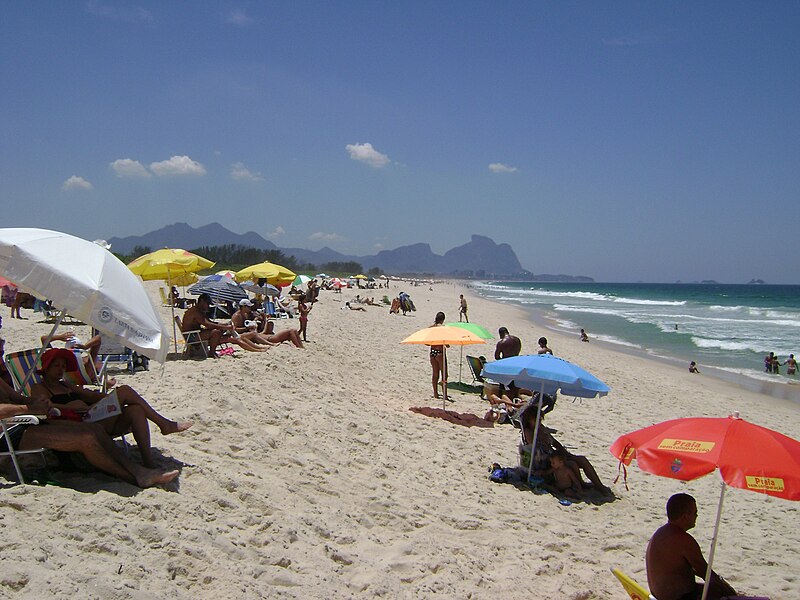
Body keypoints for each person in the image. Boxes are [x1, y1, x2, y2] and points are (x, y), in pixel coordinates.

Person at [1, 378, 179, 488]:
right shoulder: (40, 385)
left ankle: (138, 471)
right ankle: (132, 477)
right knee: (86, 439)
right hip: (8, 435)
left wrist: (37, 402)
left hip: (26, 422)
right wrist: (25, 408)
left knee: (94, 429)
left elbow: (18, 397)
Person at [30, 348, 192, 468]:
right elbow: (43, 407)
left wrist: (97, 397)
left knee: (135, 410)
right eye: (56, 366)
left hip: (92, 415)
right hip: (77, 423)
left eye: (63, 366)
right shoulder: (39, 388)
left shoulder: (66, 385)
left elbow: (94, 397)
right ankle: (164, 424)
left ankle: (148, 461)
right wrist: (73, 406)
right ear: (46, 368)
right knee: (126, 390)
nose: (61, 370)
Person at [646, 493, 737, 600]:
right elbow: (707, 575)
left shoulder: (660, 533)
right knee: (722, 592)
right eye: (695, 513)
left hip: (658, 594)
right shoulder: (684, 540)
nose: (696, 516)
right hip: (677, 597)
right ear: (685, 517)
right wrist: (729, 590)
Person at [518, 406, 613, 497]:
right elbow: (535, 449)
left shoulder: (541, 428)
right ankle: (582, 485)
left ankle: (598, 485)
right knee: (571, 464)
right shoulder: (528, 432)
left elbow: (554, 442)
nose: (538, 422)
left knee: (581, 459)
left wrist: (565, 453)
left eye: (539, 420)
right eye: (536, 420)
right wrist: (542, 437)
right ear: (529, 420)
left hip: (553, 455)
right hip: (544, 462)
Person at [181, 294, 267, 355]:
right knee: (217, 332)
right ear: (202, 301)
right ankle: (212, 352)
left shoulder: (198, 310)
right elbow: (208, 325)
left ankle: (258, 349)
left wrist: (223, 325)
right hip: (192, 337)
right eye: (207, 304)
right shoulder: (195, 311)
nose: (208, 306)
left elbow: (209, 322)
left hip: (196, 334)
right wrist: (225, 327)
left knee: (236, 337)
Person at [232, 299, 304, 348]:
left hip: (259, 334)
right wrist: (247, 328)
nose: (250, 308)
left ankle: (301, 347)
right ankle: (300, 347)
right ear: (244, 306)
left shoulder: (245, 314)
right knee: (291, 331)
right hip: (260, 336)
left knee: (293, 331)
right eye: (248, 307)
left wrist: (258, 320)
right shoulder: (236, 316)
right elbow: (234, 330)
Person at [430, 311, 448, 402]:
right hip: (440, 352)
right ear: (443, 319)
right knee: (444, 374)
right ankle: (445, 395)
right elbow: (447, 344)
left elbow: (426, 343)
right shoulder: (443, 329)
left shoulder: (431, 328)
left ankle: (435, 393)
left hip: (433, 352)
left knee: (435, 374)